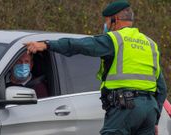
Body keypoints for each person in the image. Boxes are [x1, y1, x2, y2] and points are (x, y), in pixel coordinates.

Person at [24, 0, 167, 134]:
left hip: (126, 108)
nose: (105, 26)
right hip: (149, 110)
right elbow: (162, 88)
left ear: (114, 20)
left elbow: (80, 45)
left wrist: (47, 45)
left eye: (106, 21)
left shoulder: (114, 40)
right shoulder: (150, 45)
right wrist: (155, 119)